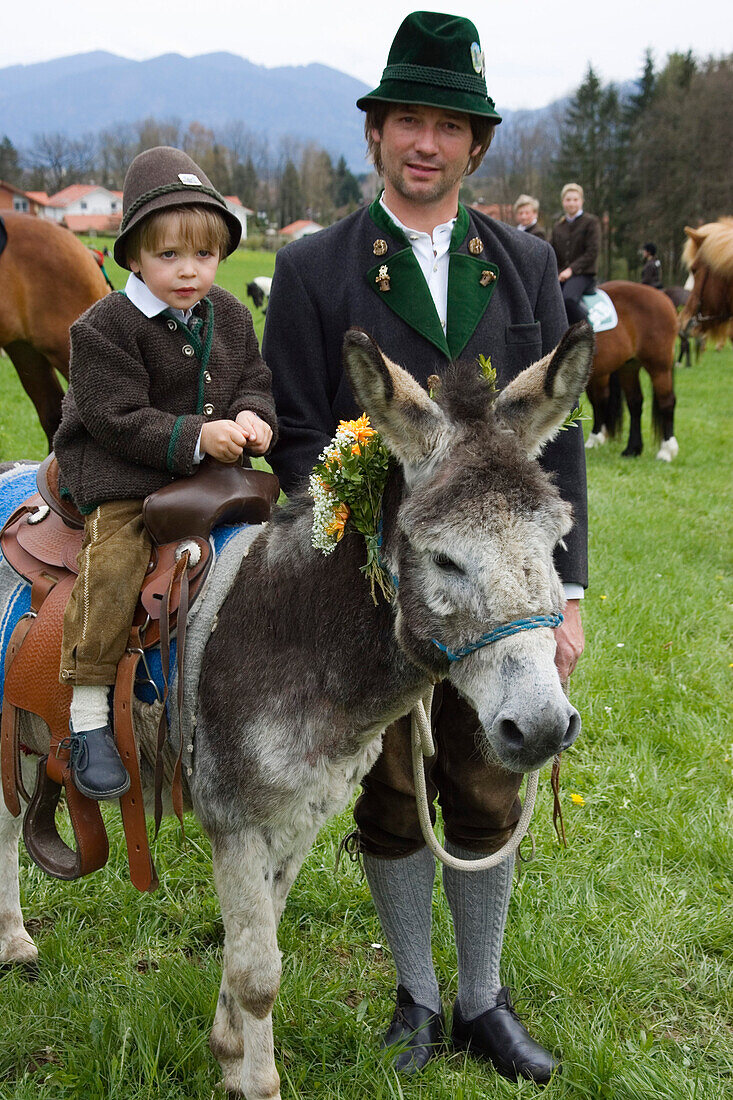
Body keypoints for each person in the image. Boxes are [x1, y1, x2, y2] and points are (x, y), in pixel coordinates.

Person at [263, 11, 587, 1086]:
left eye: (448, 125)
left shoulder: (526, 260)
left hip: (499, 595)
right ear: (375, 133)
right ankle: (413, 993)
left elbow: (558, 437)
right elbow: (302, 431)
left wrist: (568, 593)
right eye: (407, 118)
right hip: (371, 593)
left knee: (489, 781)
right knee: (391, 792)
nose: (426, 142)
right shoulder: (313, 270)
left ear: (475, 147)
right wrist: (366, 500)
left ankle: (482, 999)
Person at [54, 146, 277, 801]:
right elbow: (115, 416)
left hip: (207, 476)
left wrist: (254, 416)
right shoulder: (103, 327)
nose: (188, 271)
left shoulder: (230, 315)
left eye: (203, 256)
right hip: (122, 473)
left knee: (267, 554)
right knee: (118, 558)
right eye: (169, 256)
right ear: (133, 257)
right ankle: (88, 713)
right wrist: (196, 435)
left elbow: (255, 381)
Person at [550, 182, 601, 324]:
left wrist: (571, 270)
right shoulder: (558, 226)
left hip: (583, 274)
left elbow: (592, 252)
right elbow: (551, 251)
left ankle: (587, 332)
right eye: (568, 199)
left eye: (575, 199)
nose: (571, 203)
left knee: (568, 299)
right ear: (563, 202)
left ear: (581, 201)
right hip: (561, 275)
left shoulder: (591, 222)